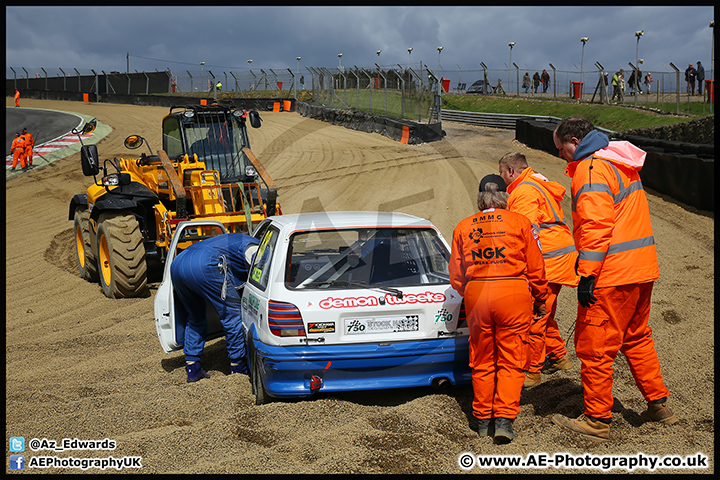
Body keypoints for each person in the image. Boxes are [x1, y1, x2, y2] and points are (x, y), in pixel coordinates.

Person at [550, 117, 677, 442]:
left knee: (595, 346)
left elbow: (596, 226)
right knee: (636, 337)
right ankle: (659, 405)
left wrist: (587, 276)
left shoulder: (590, 169)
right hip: (641, 269)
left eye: (561, 149)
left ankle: (596, 420)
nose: (561, 156)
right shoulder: (619, 161)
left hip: (611, 275)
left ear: (575, 142)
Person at [449, 174, 549, 444]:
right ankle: (504, 420)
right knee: (512, 359)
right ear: (505, 196)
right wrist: (540, 299)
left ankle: (482, 420)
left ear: (480, 197)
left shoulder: (463, 226)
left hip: (477, 294)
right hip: (513, 293)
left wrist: (468, 293)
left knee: (481, 358)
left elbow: (456, 276)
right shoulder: (521, 223)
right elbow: (536, 268)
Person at [498, 152, 578, 388]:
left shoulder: (523, 192)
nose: (502, 178)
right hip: (559, 256)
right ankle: (559, 357)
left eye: (502, 173)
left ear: (511, 171)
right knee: (547, 312)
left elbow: (524, 233)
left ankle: (532, 371)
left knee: (537, 315)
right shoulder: (536, 183)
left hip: (549, 261)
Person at [170, 233, 260, 383]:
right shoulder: (255, 248)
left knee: (194, 315)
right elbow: (263, 271)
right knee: (232, 314)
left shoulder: (238, 240)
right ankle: (238, 367)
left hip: (178, 263)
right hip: (205, 263)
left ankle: (193, 368)